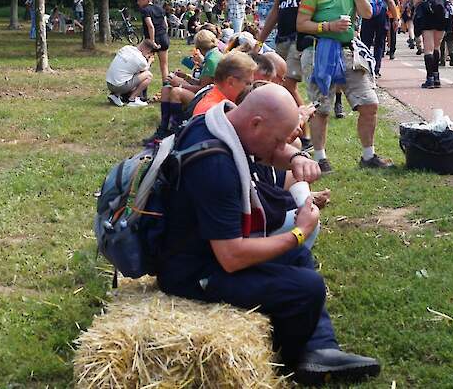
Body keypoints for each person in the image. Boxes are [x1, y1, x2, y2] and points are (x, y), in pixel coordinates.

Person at [155, 83, 380, 385]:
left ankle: (321, 350)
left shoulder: (217, 119)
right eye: (278, 140)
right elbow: (232, 257)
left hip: (203, 249)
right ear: (256, 123)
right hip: (192, 272)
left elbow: (270, 150)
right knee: (306, 287)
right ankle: (292, 360)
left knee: (298, 257)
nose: (280, 147)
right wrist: (299, 232)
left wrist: (294, 158)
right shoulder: (215, 166)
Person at [296, 0, 394, 173]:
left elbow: (368, 14)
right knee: (321, 108)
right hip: (320, 51)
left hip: (348, 51)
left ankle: (368, 156)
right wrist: (328, 25)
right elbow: (301, 24)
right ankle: (320, 158)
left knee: (370, 103)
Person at [256, 0, 323, 148]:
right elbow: (276, 9)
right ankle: (291, 131)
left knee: (288, 85)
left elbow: (321, 3)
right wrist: (260, 39)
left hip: (301, 37)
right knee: (278, 84)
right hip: (282, 38)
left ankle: (305, 136)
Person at [145, 30, 222, 143]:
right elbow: (201, 83)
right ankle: (163, 129)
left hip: (209, 97)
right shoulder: (212, 55)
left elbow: (203, 89)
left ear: (199, 47)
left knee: (176, 91)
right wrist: (185, 77)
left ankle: (178, 128)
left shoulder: (212, 60)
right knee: (166, 88)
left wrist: (179, 84)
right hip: (206, 92)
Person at [413, 0, 453, 89]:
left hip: (428, 13)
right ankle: (436, 76)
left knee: (428, 47)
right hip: (442, 12)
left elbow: (416, 0)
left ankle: (429, 77)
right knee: (437, 46)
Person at [358, 0, 397, 77]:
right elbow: (390, 1)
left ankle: (365, 66)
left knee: (365, 42)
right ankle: (376, 69)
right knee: (379, 43)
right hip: (381, 14)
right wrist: (395, 18)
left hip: (366, 14)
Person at [190, 51, 257, 116]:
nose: (250, 88)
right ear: (231, 82)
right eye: (247, 83)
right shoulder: (217, 112)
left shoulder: (217, 98)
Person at [106, 39, 157, 107]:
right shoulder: (141, 60)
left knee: (126, 73)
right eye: (149, 53)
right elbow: (145, 70)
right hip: (119, 86)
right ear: (146, 50)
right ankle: (132, 99)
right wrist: (149, 61)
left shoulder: (126, 48)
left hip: (109, 83)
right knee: (148, 75)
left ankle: (115, 95)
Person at [137, 0, 169, 80]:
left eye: (139, 1)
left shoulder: (145, 10)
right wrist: (164, 35)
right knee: (164, 66)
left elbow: (150, 26)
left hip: (152, 40)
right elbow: (166, 25)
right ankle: (166, 88)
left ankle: (143, 90)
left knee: (144, 64)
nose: (138, 3)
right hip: (163, 38)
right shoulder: (160, 9)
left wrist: (152, 41)